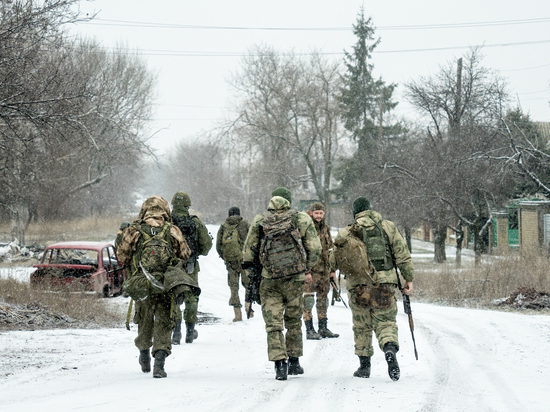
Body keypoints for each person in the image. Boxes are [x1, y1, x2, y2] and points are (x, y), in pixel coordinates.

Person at [330, 197, 414, 381]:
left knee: (362, 326)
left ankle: (364, 367)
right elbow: (402, 254)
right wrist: (408, 278)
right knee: (385, 322)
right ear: (370, 209)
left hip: (358, 285)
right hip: (385, 283)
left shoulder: (347, 232)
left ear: (355, 213)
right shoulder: (388, 227)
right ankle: (389, 347)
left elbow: (333, 260)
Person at [242, 187, 321, 381]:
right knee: (294, 319)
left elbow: (247, 252)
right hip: (294, 278)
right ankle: (294, 362)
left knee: (274, 323)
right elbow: (316, 248)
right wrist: (304, 267)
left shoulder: (260, 220)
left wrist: (252, 275)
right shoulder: (301, 219)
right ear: (289, 201)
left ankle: (279, 364)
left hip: (269, 279)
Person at [117, 196, 191, 378]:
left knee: (144, 320)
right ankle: (159, 364)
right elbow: (185, 254)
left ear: (144, 210)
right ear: (165, 210)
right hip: (165, 284)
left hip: (142, 284)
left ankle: (143, 354)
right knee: (164, 322)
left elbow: (122, 257)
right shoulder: (172, 230)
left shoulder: (134, 230)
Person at [170, 191, 213, 344]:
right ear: (188, 205)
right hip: (190, 265)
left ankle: (176, 332)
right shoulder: (195, 222)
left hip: (172, 267)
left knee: (173, 298)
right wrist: (194, 253)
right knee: (191, 298)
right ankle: (190, 331)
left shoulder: (167, 222)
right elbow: (206, 246)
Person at [303, 202, 339, 340]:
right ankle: (309, 329)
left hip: (324, 271)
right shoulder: (306, 226)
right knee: (308, 300)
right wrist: (306, 271)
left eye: (321, 213)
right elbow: (302, 250)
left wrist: (332, 270)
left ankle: (323, 328)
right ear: (311, 213)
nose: (318, 216)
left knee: (323, 300)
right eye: (316, 213)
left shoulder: (326, 228)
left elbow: (330, 248)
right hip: (310, 272)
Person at [216, 206, 251, 322]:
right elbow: (252, 241)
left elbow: (218, 246)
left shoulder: (223, 227)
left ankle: (237, 314)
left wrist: (225, 257)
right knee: (248, 284)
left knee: (234, 287)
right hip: (244, 261)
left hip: (231, 262)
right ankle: (248, 309)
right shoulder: (245, 224)